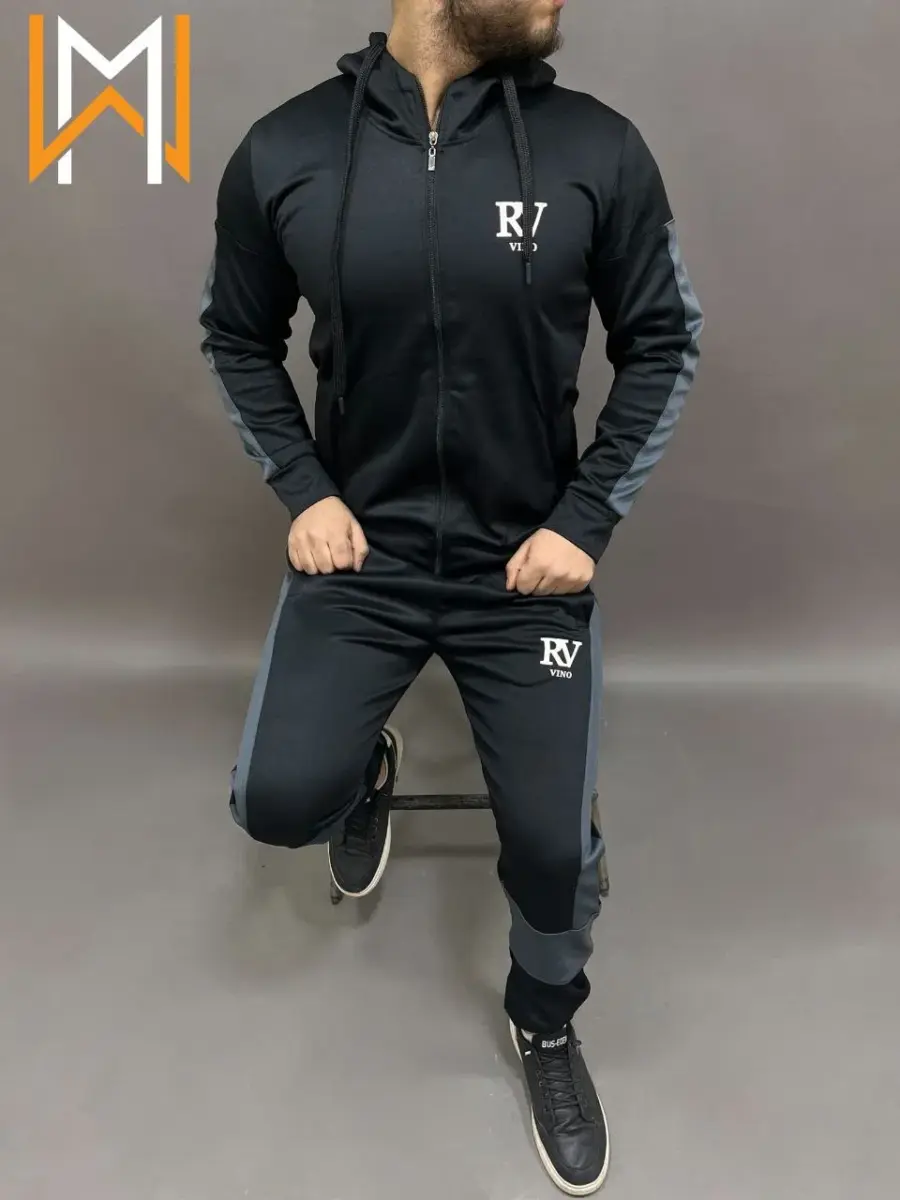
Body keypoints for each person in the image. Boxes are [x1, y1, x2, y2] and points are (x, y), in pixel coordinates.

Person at [199, 1, 702, 1193]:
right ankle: (364, 764)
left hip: (521, 572)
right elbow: (235, 338)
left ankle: (543, 1017)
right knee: (274, 803)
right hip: (363, 561)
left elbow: (665, 341)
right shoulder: (288, 148)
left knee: (553, 852)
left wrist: (585, 521)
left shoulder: (595, 149)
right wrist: (304, 490)